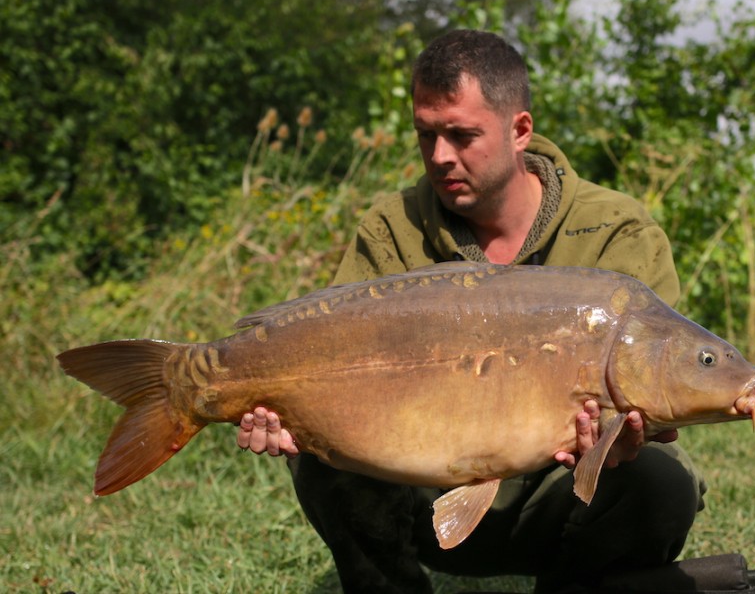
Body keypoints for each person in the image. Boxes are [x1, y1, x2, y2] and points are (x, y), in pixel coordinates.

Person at [237, 29, 705, 593]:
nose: (439, 156)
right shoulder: (391, 232)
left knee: (661, 484)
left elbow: (655, 383)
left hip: (556, 494)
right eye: (425, 135)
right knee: (323, 464)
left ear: (520, 131)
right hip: (420, 490)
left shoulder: (616, 234)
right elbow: (329, 366)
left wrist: (625, 440)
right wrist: (288, 412)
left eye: (461, 135)